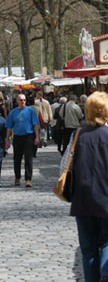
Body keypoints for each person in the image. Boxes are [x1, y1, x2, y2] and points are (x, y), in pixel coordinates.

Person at [69, 91, 108, 282]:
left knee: (88, 250)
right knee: (107, 243)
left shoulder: (77, 136)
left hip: (82, 201)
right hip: (106, 200)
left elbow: (64, 168)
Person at [5, 94, 39, 187]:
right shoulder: (13, 112)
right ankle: (17, 177)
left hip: (28, 136)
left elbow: (35, 124)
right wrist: (7, 140)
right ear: (17, 101)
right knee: (17, 158)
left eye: (24, 100)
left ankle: (28, 179)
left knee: (28, 158)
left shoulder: (30, 111)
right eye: (21, 100)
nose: (23, 102)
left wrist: (37, 137)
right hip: (17, 137)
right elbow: (9, 127)